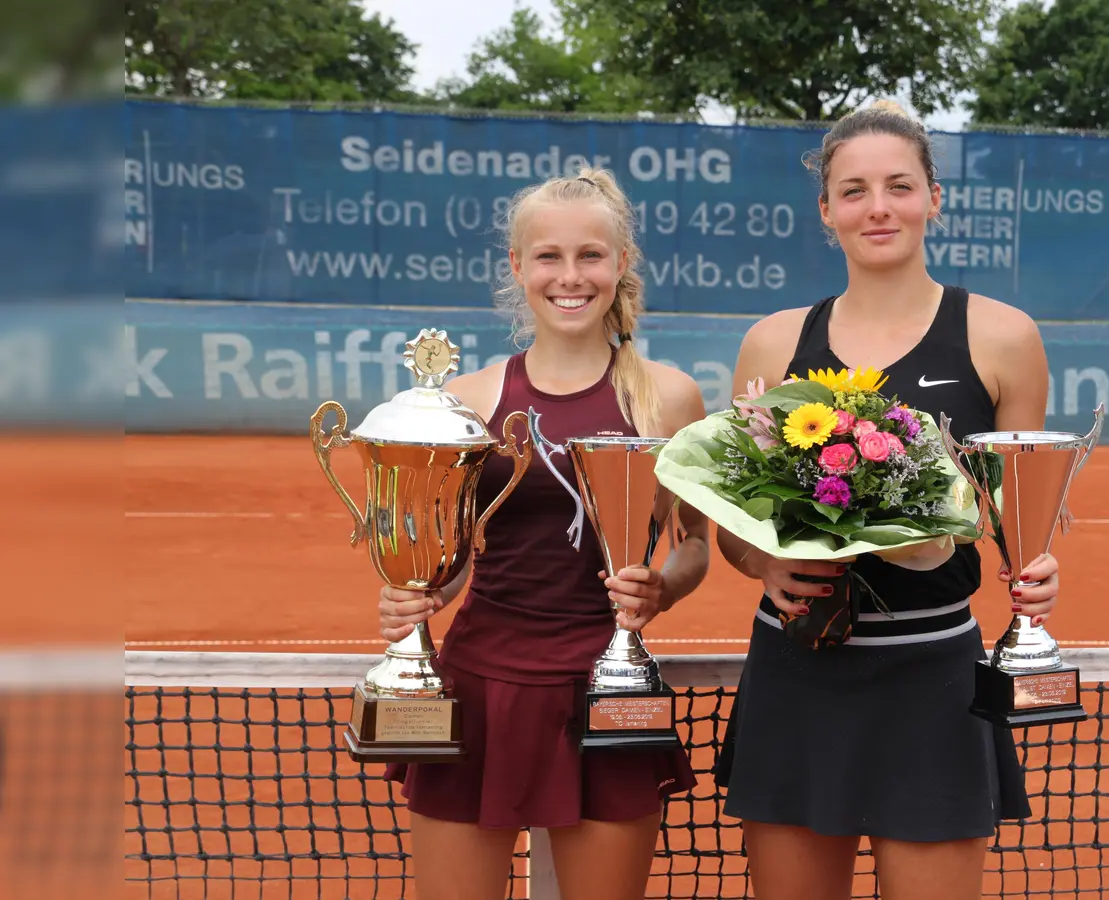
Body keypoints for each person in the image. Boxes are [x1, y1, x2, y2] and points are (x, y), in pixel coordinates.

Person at [709, 100, 1061, 900]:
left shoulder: (1002, 337)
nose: (879, 208)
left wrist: (1037, 573)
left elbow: (1015, 519)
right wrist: (762, 563)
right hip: (799, 667)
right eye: (855, 190)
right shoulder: (773, 342)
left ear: (935, 197)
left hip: (933, 675)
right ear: (825, 208)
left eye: (899, 186)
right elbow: (730, 522)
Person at [376, 169, 712, 900]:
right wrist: (418, 594)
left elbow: (693, 546)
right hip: (480, 685)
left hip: (609, 689)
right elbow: (453, 558)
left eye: (591, 255)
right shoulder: (466, 402)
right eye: (548, 257)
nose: (570, 276)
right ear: (517, 267)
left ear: (622, 263)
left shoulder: (670, 397)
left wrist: (661, 590)